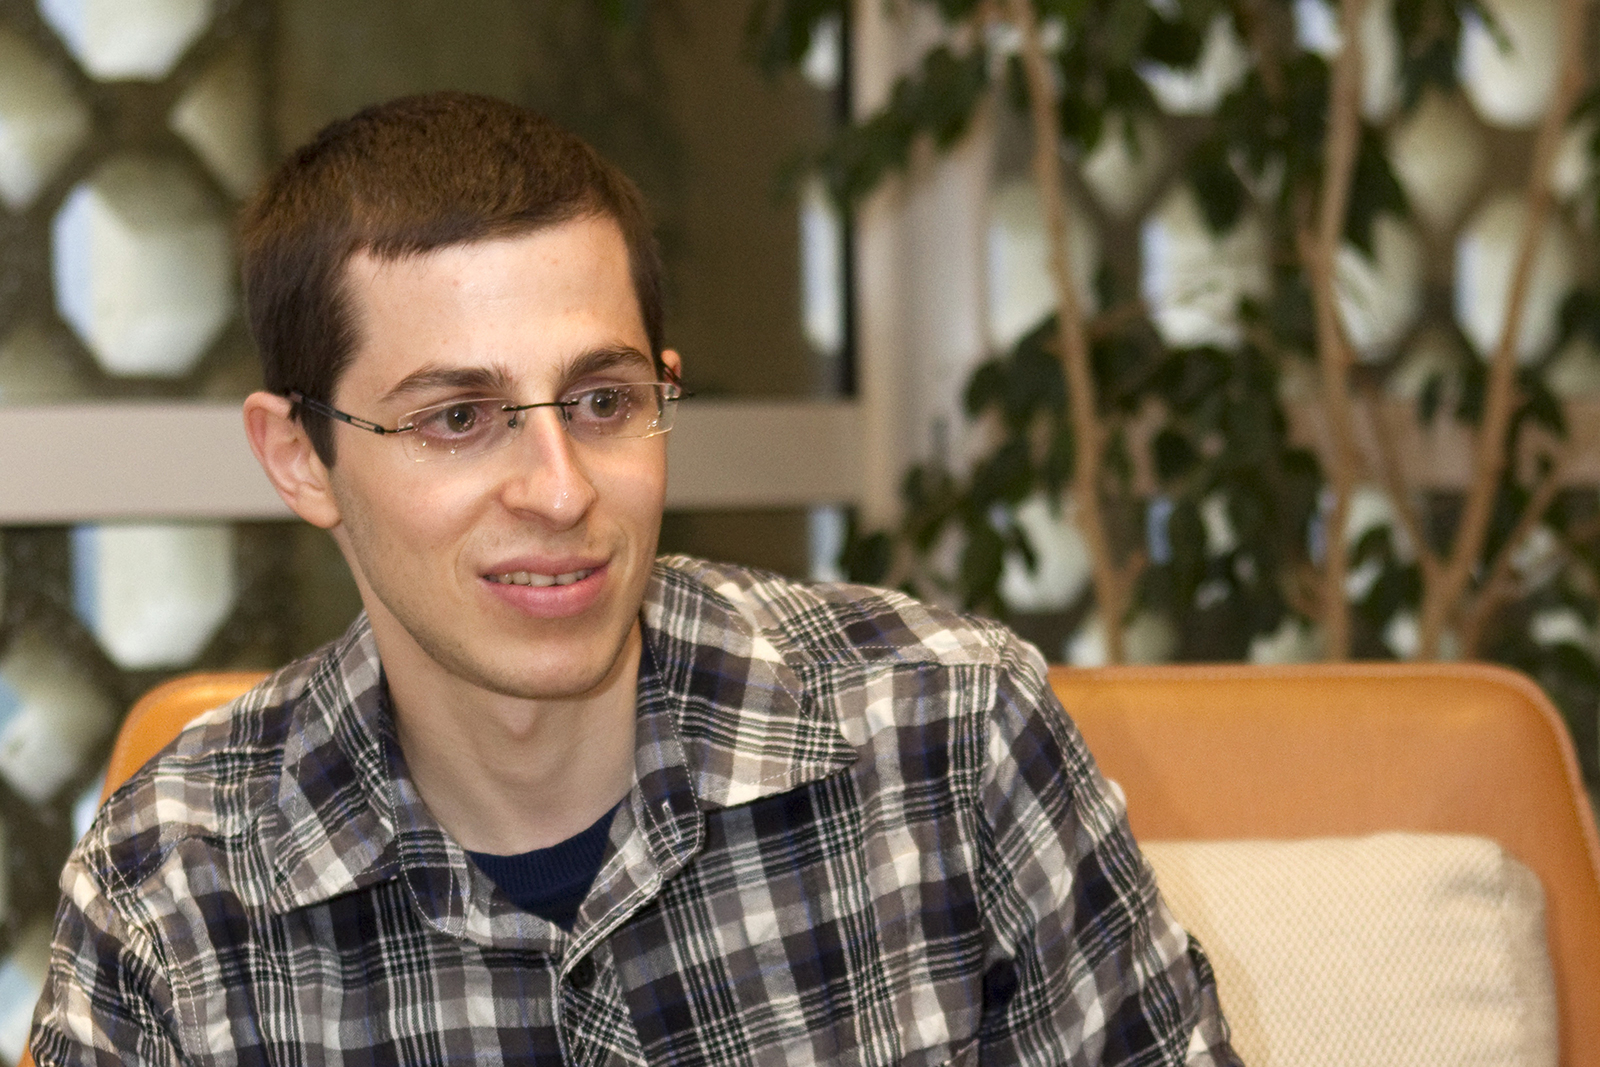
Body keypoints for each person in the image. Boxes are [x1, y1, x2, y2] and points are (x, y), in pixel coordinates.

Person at [31, 92, 1238, 1066]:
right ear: (302, 456)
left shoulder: (947, 729)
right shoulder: (170, 894)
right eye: (459, 418)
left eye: (604, 402)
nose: (560, 491)